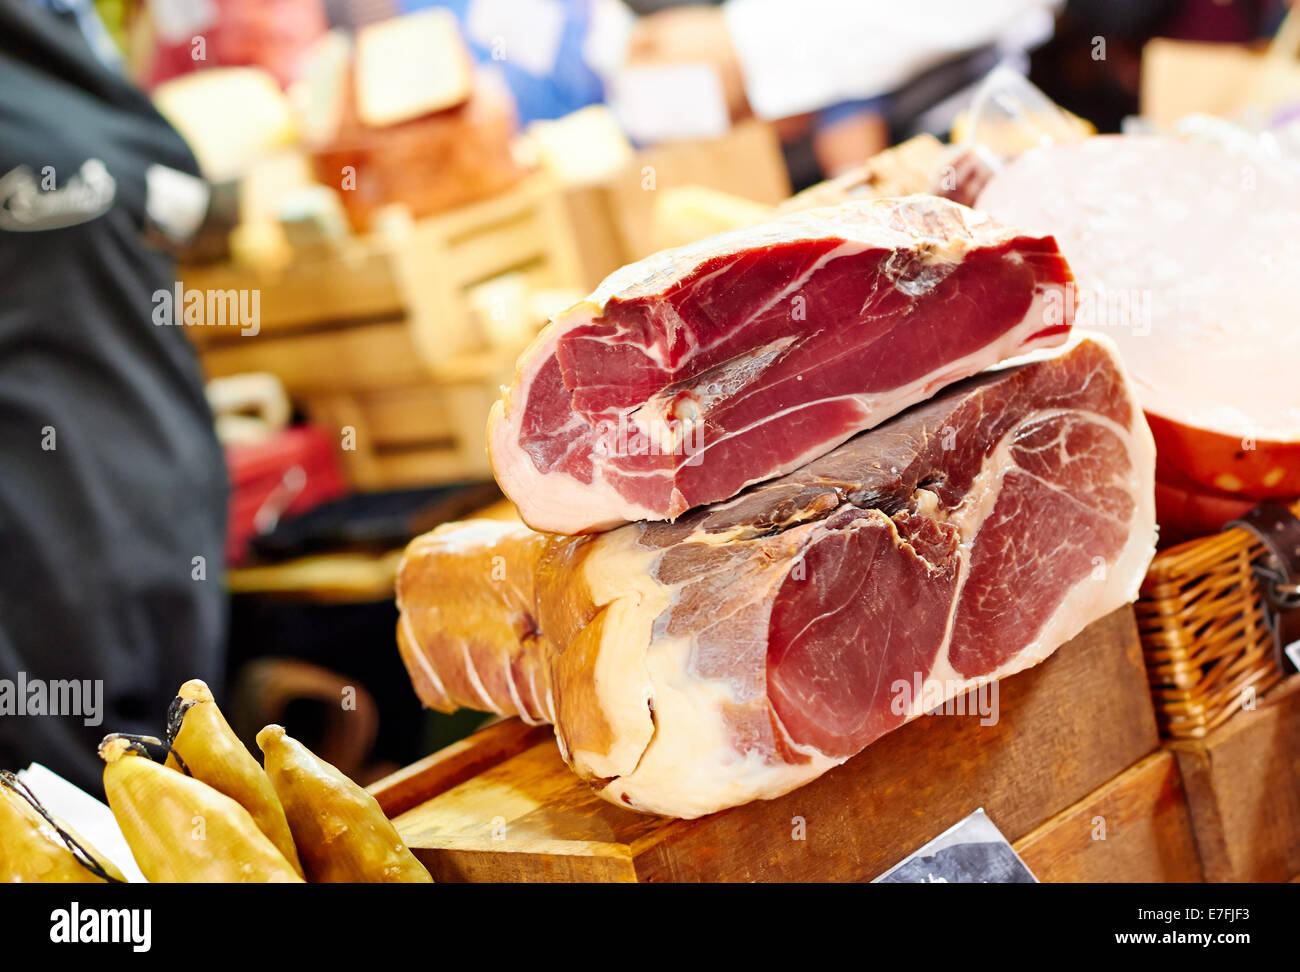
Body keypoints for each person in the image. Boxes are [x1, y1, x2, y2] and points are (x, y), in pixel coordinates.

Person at [0, 0, 228, 793]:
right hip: (39, 569)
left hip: (153, 522)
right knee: (86, 831)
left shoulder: (55, 33)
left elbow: (177, 188)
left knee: (176, 810)